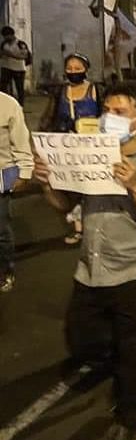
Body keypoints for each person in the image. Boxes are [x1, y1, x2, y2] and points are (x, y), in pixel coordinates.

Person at [33, 81, 136, 440]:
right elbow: (65, 203)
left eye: (119, 112)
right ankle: (116, 366)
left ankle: (132, 419)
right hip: (91, 269)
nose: (108, 118)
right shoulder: (90, 152)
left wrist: (135, 186)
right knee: (81, 340)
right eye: (106, 111)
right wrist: (47, 183)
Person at [39, 53, 102, 245]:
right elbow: (48, 117)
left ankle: (93, 225)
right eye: (70, 68)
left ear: (86, 69)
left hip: (91, 148)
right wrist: (41, 140)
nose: (73, 72)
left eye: (78, 68)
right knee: (72, 187)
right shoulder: (60, 92)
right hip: (65, 146)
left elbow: (106, 114)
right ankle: (78, 228)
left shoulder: (96, 90)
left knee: (91, 188)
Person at [0, 90, 33, 292]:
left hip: (1, 175)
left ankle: (5, 270)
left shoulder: (8, 104)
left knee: (0, 229)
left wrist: (25, 171)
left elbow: (21, 140)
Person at [0, 26, 29, 106]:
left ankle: (20, 106)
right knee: (3, 87)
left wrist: (11, 55)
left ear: (11, 35)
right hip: (6, 67)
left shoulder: (20, 44)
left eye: (7, 36)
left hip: (18, 69)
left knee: (19, 88)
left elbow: (24, 56)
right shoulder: (4, 44)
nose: (5, 38)